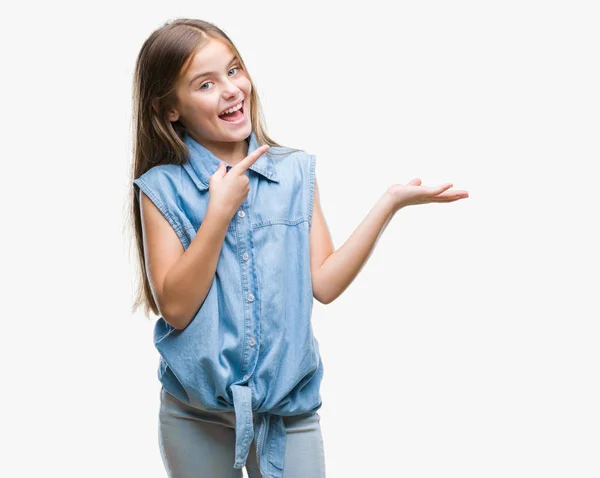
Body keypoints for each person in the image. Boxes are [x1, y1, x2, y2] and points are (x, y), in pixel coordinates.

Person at [128, 18, 469, 478]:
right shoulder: (160, 188)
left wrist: (389, 205)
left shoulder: (293, 172)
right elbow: (176, 307)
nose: (231, 90)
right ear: (169, 108)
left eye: (234, 70)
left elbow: (324, 283)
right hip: (196, 414)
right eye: (206, 84)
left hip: (288, 413)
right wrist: (219, 214)